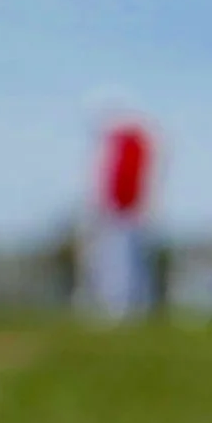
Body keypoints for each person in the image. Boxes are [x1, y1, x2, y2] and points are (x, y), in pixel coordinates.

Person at [80, 103, 157, 322]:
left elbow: (126, 180)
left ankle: (122, 307)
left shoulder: (129, 142)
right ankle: (119, 305)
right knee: (114, 261)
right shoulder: (119, 144)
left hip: (125, 211)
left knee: (122, 262)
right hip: (117, 211)